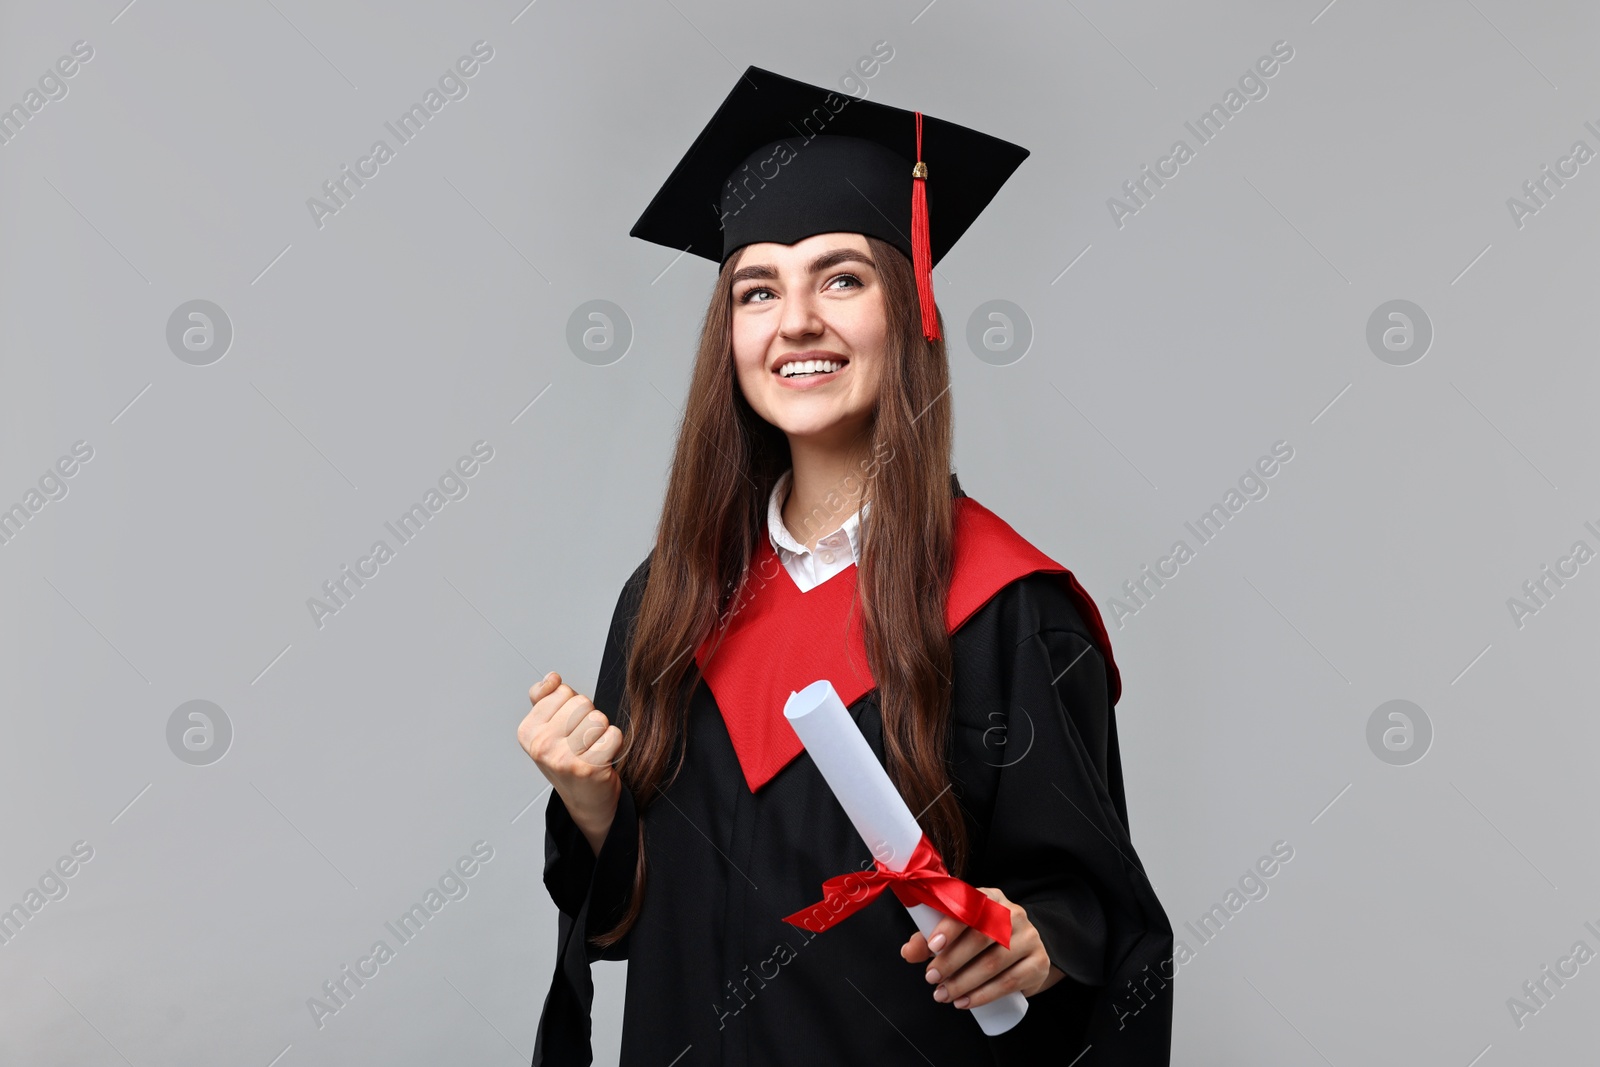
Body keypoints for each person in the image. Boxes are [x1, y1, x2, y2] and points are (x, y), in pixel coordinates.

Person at [518, 65, 1174, 1066]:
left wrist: (1039, 944)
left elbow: (1095, 918)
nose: (795, 322)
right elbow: (624, 930)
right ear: (727, 334)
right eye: (756, 289)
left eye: (841, 277)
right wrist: (594, 806)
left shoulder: (1005, 609)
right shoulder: (665, 601)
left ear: (906, 311)